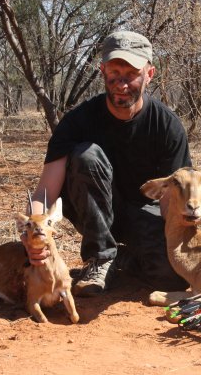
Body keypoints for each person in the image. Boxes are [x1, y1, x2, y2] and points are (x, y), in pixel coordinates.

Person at [23, 30, 192, 297]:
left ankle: (125, 258)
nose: (121, 84)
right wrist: (32, 228)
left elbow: (173, 199)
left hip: (143, 214)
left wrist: (178, 242)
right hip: (93, 214)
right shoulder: (77, 121)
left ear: (149, 74)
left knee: (172, 278)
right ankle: (101, 257)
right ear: (102, 70)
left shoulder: (167, 125)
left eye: (131, 75)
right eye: (114, 73)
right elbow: (45, 192)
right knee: (86, 155)